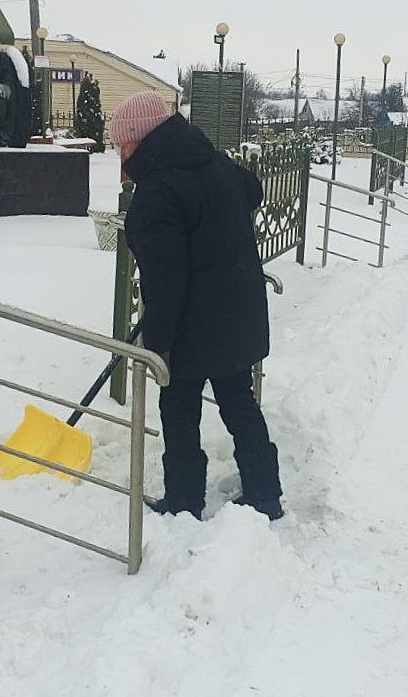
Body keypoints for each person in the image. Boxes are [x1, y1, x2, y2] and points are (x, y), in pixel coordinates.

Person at [108, 91, 283, 520]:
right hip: (237, 311)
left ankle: (185, 502)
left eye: (121, 145)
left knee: (179, 409)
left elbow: (163, 278)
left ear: (139, 139)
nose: (119, 154)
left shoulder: (159, 192)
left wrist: (158, 341)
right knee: (239, 402)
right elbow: (253, 190)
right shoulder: (213, 163)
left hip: (192, 324)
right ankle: (265, 493)